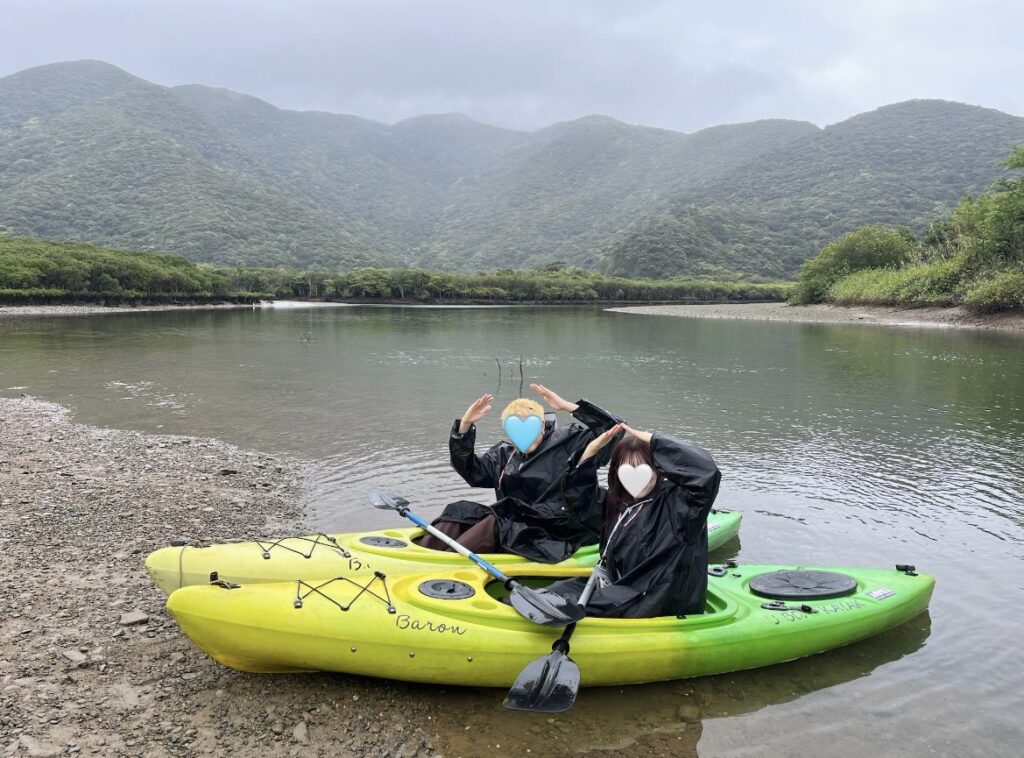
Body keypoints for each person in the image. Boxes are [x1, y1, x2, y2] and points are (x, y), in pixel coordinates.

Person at [418, 384, 623, 562]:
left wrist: (567, 406)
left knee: (496, 521)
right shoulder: (503, 455)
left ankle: (450, 563)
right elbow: (470, 471)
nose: (523, 436)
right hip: (517, 523)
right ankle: (422, 554)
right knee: (459, 511)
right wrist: (464, 427)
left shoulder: (569, 441)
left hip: (559, 529)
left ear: (542, 425)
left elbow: (614, 429)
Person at [543, 422, 721, 618]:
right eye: (626, 468)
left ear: (657, 468)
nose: (635, 475)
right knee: (556, 590)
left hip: (655, 600)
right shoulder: (617, 504)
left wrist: (654, 440)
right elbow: (579, 496)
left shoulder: (679, 505)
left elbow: (705, 473)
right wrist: (591, 451)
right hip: (619, 589)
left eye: (643, 467)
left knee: (565, 602)